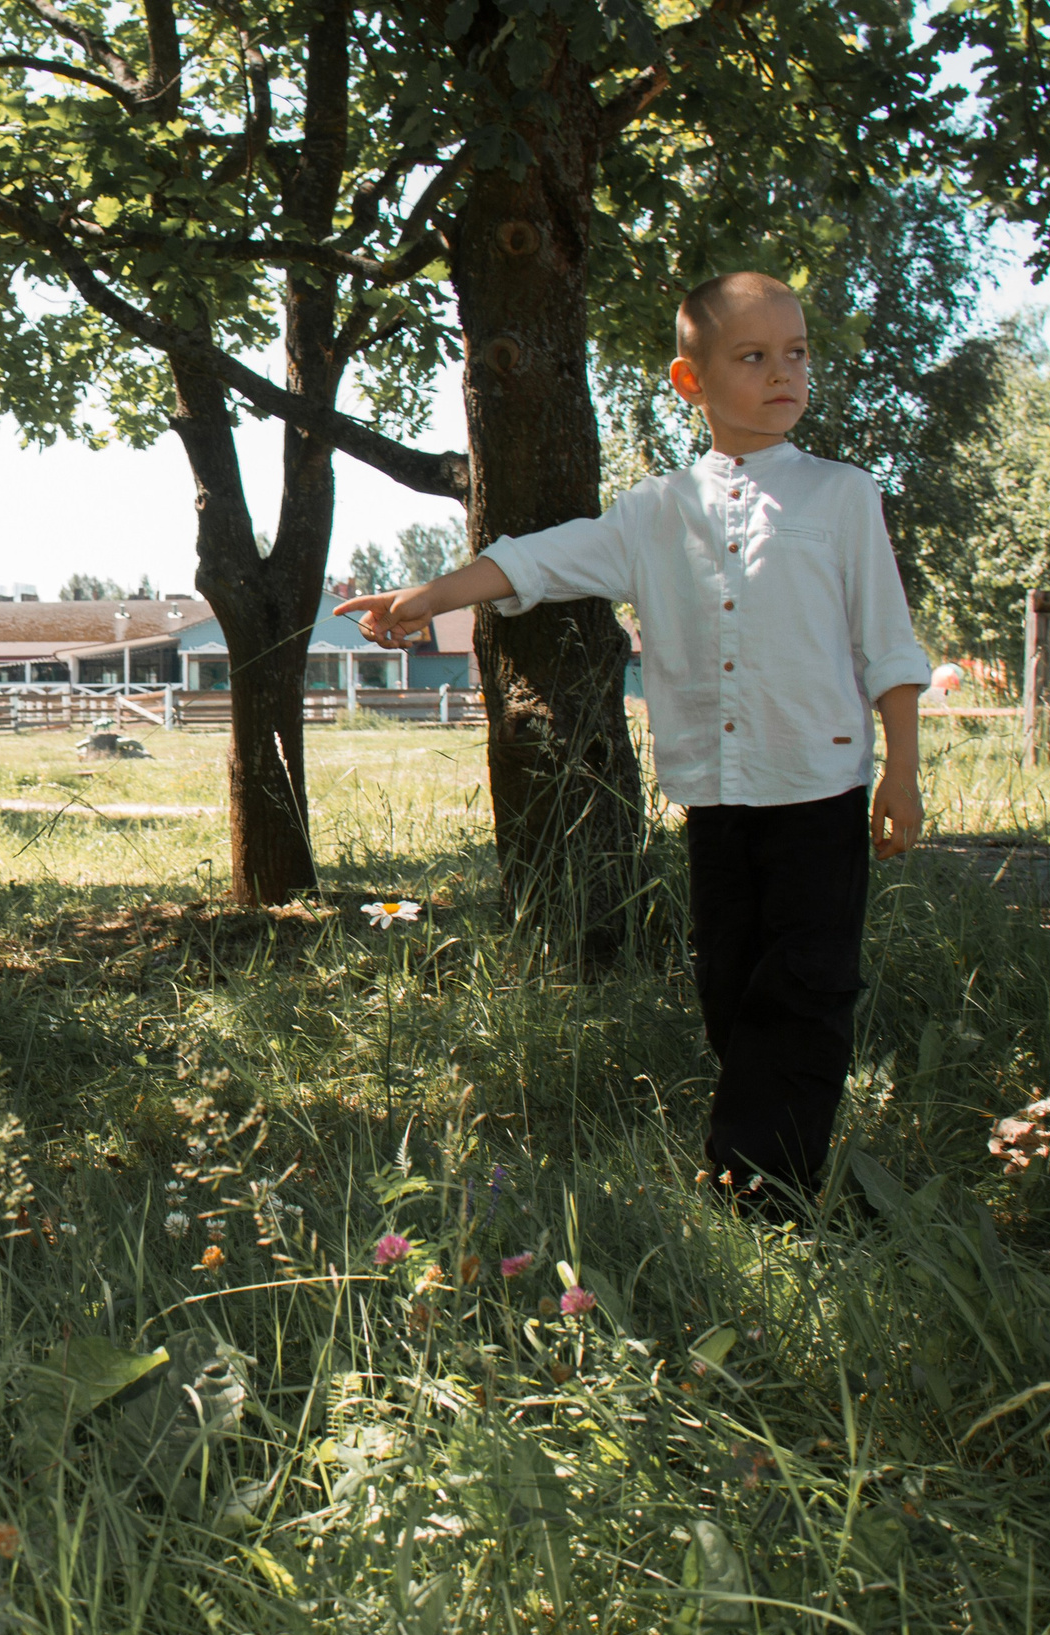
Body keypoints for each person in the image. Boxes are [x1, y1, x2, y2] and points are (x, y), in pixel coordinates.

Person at [335, 271, 930, 1210]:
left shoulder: (842, 497)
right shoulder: (657, 513)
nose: (785, 374)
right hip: (716, 794)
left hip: (819, 786)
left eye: (798, 353)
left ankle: (763, 1191)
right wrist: (424, 598)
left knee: (808, 988)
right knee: (731, 990)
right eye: (753, 356)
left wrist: (902, 772)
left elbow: (888, 644)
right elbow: (537, 560)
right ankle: (756, 1163)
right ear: (690, 381)